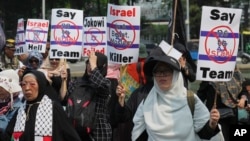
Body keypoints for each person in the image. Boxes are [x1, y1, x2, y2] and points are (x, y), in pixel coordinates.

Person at [118, 53, 221, 140]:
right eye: (157, 72)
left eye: (166, 71)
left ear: (176, 74)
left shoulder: (190, 99)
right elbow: (139, 135)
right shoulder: (148, 101)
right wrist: (121, 102)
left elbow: (205, 134)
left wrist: (212, 124)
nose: (161, 75)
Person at [0, 70, 81, 141]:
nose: (27, 88)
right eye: (23, 84)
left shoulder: (53, 108)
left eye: (32, 84)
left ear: (41, 85)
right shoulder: (20, 111)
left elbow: (70, 135)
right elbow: (8, 135)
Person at [68, 51, 112, 141]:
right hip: (78, 131)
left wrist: (94, 67)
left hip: (98, 133)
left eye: (94, 65)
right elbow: (67, 100)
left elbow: (102, 85)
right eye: (88, 63)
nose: (90, 67)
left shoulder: (105, 83)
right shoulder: (76, 82)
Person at [197, 65, 245, 141]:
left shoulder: (236, 74)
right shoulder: (209, 78)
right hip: (216, 117)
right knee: (220, 137)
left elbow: (243, 90)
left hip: (232, 115)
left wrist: (243, 99)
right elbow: (200, 96)